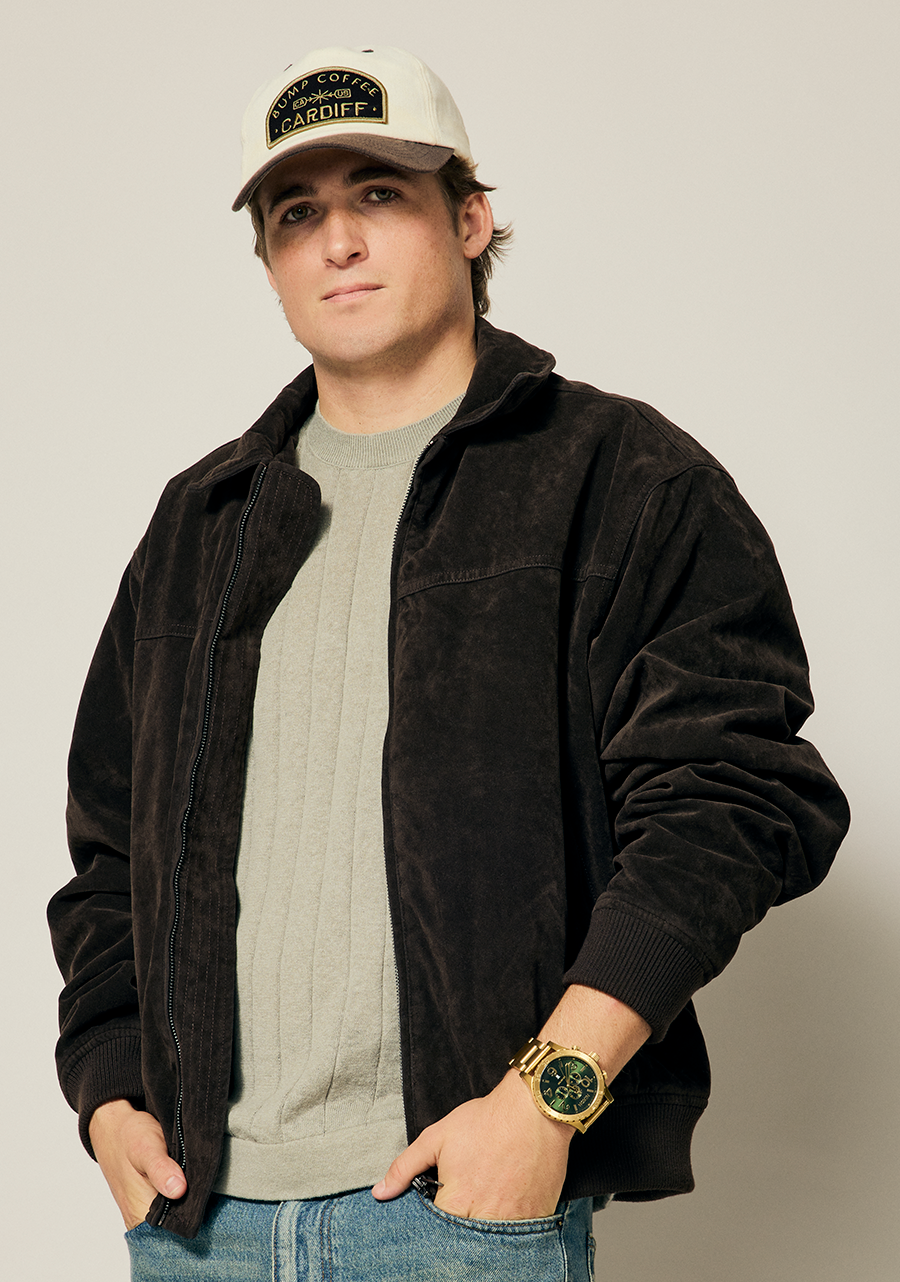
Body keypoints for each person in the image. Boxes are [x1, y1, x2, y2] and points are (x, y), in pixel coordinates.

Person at [48, 45, 849, 1280]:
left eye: (379, 193)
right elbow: (111, 853)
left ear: (470, 220)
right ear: (268, 259)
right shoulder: (201, 524)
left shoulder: (621, 478)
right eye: (296, 213)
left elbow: (734, 801)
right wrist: (108, 1092)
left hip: (458, 1211)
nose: (337, 241)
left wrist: (544, 1103)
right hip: (197, 1221)